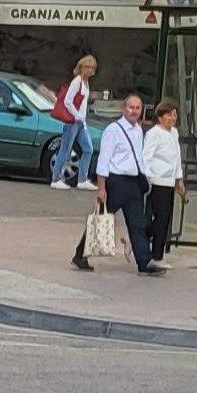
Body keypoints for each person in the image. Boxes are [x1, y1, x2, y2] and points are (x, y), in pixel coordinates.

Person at [78, 93, 149, 270]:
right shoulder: (113, 130)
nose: (134, 111)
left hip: (133, 182)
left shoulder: (139, 130)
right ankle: (80, 254)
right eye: (130, 107)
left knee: (137, 222)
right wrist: (101, 188)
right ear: (124, 109)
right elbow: (104, 160)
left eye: (137, 108)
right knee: (101, 217)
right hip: (116, 181)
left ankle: (144, 261)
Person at [138, 101, 186, 272]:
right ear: (160, 116)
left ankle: (141, 240)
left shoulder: (174, 133)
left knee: (164, 220)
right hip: (157, 182)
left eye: (174, 114)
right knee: (161, 218)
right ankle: (152, 252)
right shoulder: (154, 133)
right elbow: (146, 157)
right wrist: (148, 177)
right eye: (169, 114)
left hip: (169, 182)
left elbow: (177, 157)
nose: (172, 118)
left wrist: (179, 179)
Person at [50, 54, 98, 188]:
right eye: (87, 67)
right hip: (72, 121)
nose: (90, 70)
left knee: (88, 149)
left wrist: (82, 121)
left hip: (80, 122)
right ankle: (56, 178)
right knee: (65, 149)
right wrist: (77, 116)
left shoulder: (85, 82)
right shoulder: (77, 81)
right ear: (81, 67)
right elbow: (67, 101)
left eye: (92, 67)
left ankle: (82, 179)